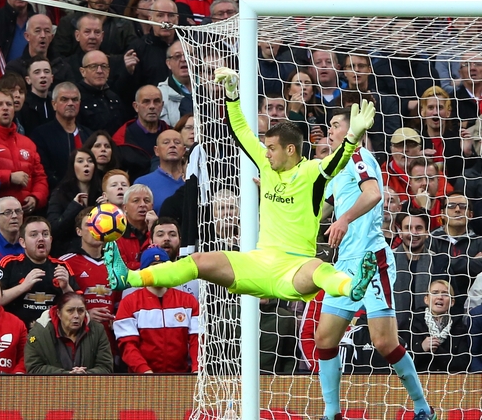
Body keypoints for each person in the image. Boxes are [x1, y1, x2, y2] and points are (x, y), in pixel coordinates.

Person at [105, 68, 379, 315]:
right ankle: (128, 278)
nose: (266, 153)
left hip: (294, 267)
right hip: (257, 262)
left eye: (272, 148)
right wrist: (232, 95)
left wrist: (352, 137)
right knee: (198, 260)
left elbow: (338, 160)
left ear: (290, 149)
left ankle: (351, 286)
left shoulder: (312, 172)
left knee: (320, 270)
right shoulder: (266, 164)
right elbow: (240, 131)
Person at [315, 108, 433, 420]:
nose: (330, 130)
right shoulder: (336, 168)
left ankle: (422, 407)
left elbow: (373, 194)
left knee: (384, 342)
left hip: (372, 259)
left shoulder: (358, 156)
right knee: (325, 339)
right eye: (329, 126)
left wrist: (344, 219)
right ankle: (331, 414)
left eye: (336, 125)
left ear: (354, 129)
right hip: (344, 266)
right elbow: (319, 212)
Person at [114, 247, 199, 373]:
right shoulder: (128, 303)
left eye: (163, 266)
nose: (159, 270)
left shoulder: (188, 301)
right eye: (153, 266)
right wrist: (145, 371)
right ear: (143, 272)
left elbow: (197, 340)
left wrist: (197, 369)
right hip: (142, 379)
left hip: (181, 377)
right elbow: (127, 345)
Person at [0, 89, 49, 213]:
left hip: (24, 217)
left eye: (9, 104)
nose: (5, 108)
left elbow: (40, 177)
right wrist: (9, 177)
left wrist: (36, 197)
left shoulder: (28, 143)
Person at [0, 216, 78, 327]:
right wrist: (23, 286)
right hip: (15, 332)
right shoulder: (9, 263)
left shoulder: (62, 266)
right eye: (34, 235)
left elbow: (79, 307)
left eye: (45, 234)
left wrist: (66, 288)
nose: (41, 239)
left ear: (51, 240)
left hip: (52, 335)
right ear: (22, 242)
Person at [24, 291, 113, 374]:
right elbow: (34, 368)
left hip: (88, 387)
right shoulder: (39, 333)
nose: (76, 316)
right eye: (70, 311)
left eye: (81, 311)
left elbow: (106, 367)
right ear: (59, 313)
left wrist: (85, 375)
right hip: (52, 389)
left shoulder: (97, 330)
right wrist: (66, 375)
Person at [400, 279, 471, 373]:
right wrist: (421, 348)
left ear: (452, 302)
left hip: (449, 382)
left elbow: (463, 364)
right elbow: (400, 362)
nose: (440, 297)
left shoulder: (460, 329)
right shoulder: (410, 325)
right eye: (435, 293)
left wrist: (438, 350)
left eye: (445, 294)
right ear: (426, 299)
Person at [30, 82, 92, 189]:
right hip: (57, 195)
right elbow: (44, 171)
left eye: (75, 99)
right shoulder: (41, 135)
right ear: (54, 104)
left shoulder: (89, 135)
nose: (70, 103)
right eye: (64, 99)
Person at [47, 148, 101, 255]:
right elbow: (53, 229)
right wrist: (74, 206)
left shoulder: (101, 193)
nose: (86, 164)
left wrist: (106, 208)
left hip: (98, 253)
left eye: (90, 161)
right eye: (80, 161)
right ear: (72, 167)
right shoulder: (60, 193)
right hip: (68, 252)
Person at [113, 85, 170, 179]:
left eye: (156, 101)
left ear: (162, 105)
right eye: (146, 102)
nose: (152, 106)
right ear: (136, 106)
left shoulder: (172, 135)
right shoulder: (121, 140)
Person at [75, 51, 129, 135]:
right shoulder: (75, 97)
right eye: (93, 66)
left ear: (108, 71)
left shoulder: (114, 97)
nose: (100, 71)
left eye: (104, 66)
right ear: (83, 71)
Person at [134, 130, 185, 212]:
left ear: (184, 150)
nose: (172, 145)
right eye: (166, 142)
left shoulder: (195, 181)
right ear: (156, 151)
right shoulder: (143, 183)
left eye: (177, 142)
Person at [159, 41, 192, 128]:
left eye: (188, 55)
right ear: (168, 63)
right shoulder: (160, 94)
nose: (184, 59)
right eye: (177, 56)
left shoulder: (209, 86)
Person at [20, 57, 56, 135]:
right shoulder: (22, 106)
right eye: (37, 72)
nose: (43, 75)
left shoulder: (56, 105)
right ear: (28, 80)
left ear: (52, 78)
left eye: (46, 71)